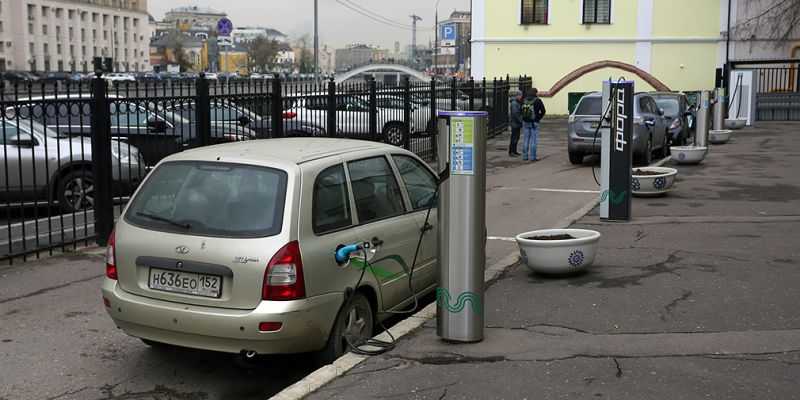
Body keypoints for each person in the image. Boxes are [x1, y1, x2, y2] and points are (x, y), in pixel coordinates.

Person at [521, 88, 546, 161]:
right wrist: (538, 118)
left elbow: (521, 110)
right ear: (535, 93)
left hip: (525, 122)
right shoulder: (538, 100)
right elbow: (543, 111)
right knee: (533, 140)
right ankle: (533, 157)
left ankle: (525, 156)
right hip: (534, 122)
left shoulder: (524, 100)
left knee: (525, 139)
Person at [508, 90, 523, 157]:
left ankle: (514, 151)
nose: (521, 97)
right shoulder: (514, 103)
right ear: (517, 95)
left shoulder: (516, 102)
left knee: (516, 137)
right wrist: (521, 120)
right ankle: (512, 152)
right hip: (515, 123)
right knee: (514, 138)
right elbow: (515, 114)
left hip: (516, 123)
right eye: (520, 95)